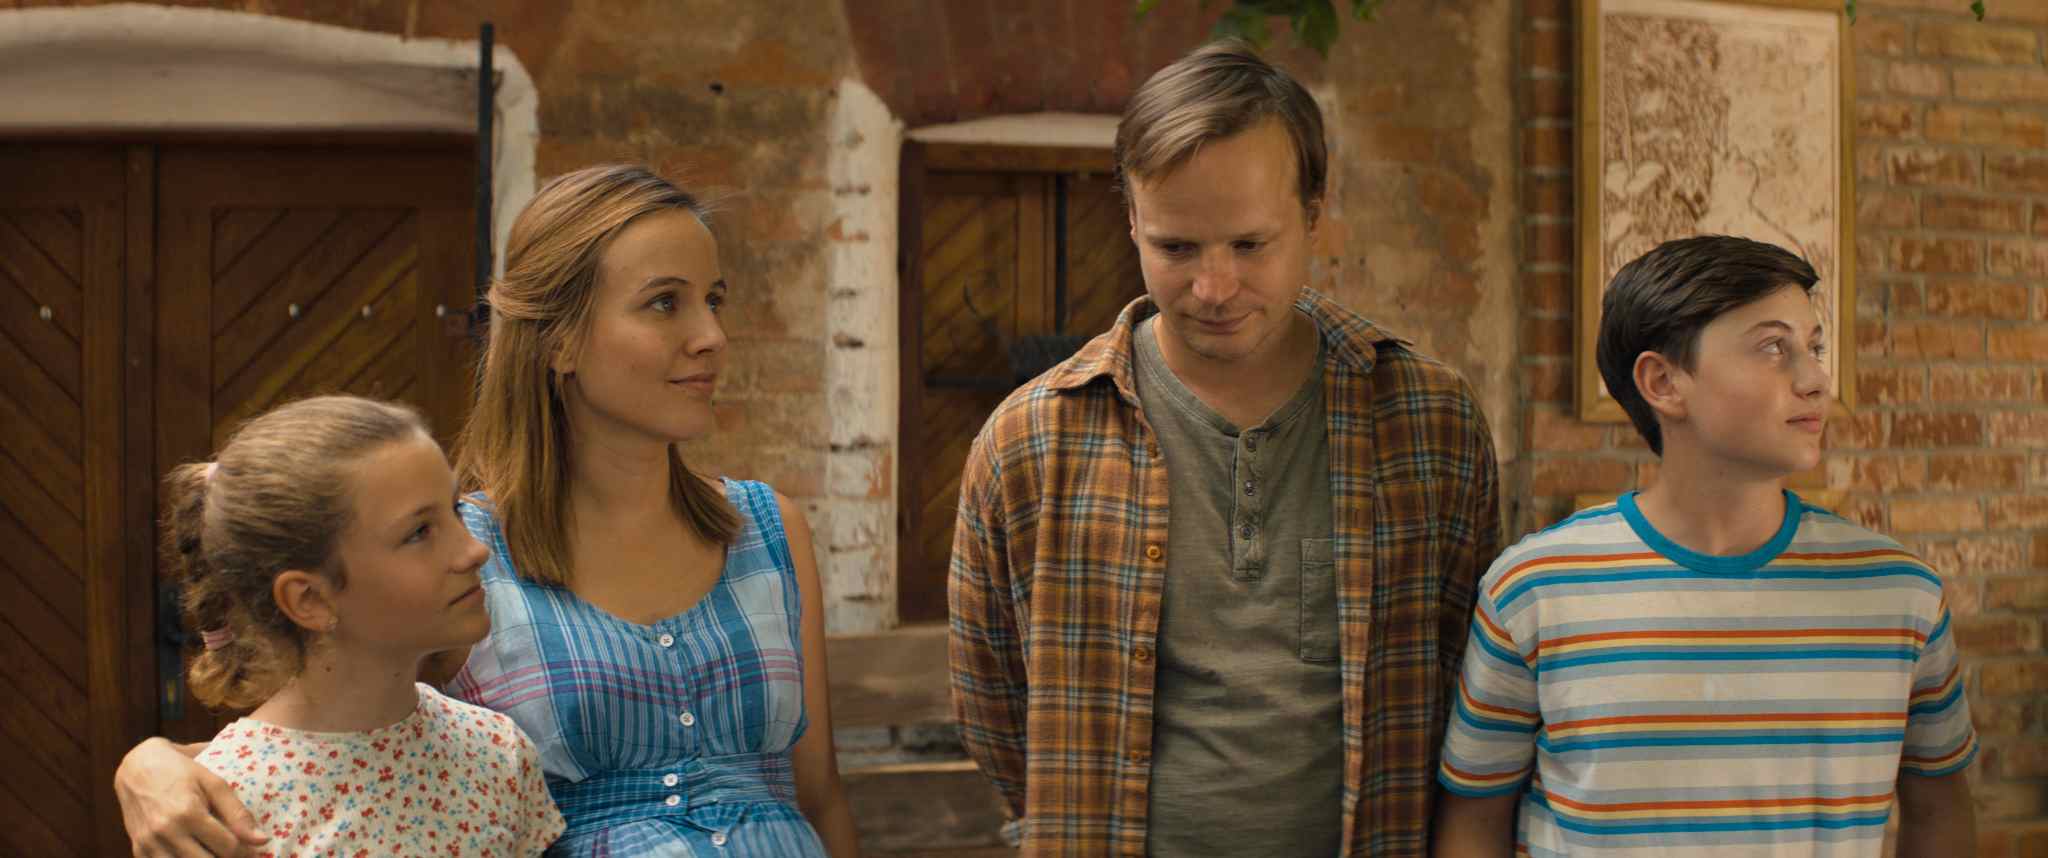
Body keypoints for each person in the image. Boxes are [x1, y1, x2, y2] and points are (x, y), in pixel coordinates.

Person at [116, 164, 861, 858]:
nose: (712, 337)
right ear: (560, 339)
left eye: (714, 300)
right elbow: (320, 743)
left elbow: (820, 796)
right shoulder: (460, 560)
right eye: (665, 303)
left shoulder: (768, 529)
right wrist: (147, 762)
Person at [947, 40, 1502, 856]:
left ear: (1313, 215)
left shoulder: (1428, 420)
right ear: (1132, 222)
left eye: (1249, 245)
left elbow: (1471, 685)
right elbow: (991, 703)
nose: (1213, 288)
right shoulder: (1031, 440)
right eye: (1176, 248)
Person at [1431, 236, 1979, 857]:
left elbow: (1941, 815)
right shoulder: (1532, 589)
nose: (1816, 380)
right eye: (1773, 347)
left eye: (1814, 347)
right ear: (1663, 381)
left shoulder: (1902, 596)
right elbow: (1474, 821)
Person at [160, 394, 562, 857]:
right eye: (419, 532)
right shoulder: (222, 813)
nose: (475, 551)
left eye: (455, 510)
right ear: (310, 600)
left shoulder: (496, 752)